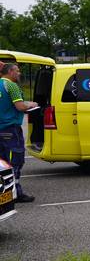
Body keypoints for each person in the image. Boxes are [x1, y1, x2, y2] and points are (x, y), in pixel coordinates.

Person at [0, 62, 38, 202]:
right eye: (17, 70)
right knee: (15, 161)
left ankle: (3, 192)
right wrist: (32, 104)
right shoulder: (11, 85)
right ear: (10, 71)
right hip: (11, 129)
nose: (19, 73)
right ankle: (16, 193)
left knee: (2, 162)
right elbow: (20, 106)